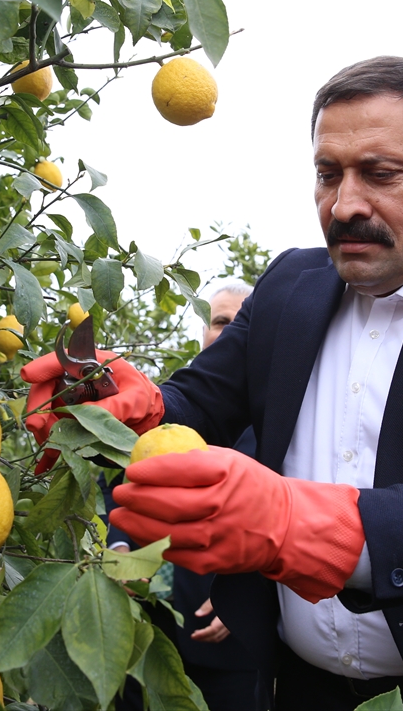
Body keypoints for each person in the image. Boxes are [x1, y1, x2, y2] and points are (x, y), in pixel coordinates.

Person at [23, 57, 403, 710]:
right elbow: (197, 404)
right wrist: (112, 403)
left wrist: (301, 522)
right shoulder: (290, 287)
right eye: (327, 175)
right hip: (311, 690)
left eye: (380, 174)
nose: (345, 204)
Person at [105, 284, 261, 711]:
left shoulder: (271, 417)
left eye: (239, 323)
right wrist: (118, 546)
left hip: (225, 637)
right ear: (203, 332)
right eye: (219, 322)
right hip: (143, 624)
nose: (229, 332)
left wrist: (247, 597)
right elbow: (118, 477)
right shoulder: (177, 401)